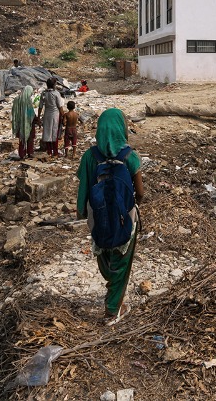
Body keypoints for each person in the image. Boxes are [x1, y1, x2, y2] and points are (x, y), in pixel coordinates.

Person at [76, 108, 145, 323]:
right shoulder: (129, 156)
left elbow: (84, 187)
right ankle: (112, 310)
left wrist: (81, 211)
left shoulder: (90, 156)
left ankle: (114, 293)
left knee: (104, 256)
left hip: (97, 217)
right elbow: (140, 192)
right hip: (125, 216)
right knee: (122, 264)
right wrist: (130, 207)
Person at [37, 78, 65, 157]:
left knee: (47, 132)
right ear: (54, 85)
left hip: (47, 114)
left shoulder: (44, 93)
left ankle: (49, 151)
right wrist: (63, 115)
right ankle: (55, 152)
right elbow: (60, 106)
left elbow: (40, 106)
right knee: (54, 133)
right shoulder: (56, 93)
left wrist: (39, 117)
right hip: (55, 114)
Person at [11, 85, 36, 159]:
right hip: (28, 123)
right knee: (30, 138)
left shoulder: (16, 99)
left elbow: (14, 112)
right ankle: (30, 153)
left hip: (19, 123)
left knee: (21, 139)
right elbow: (31, 113)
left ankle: (22, 154)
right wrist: (36, 119)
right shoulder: (28, 101)